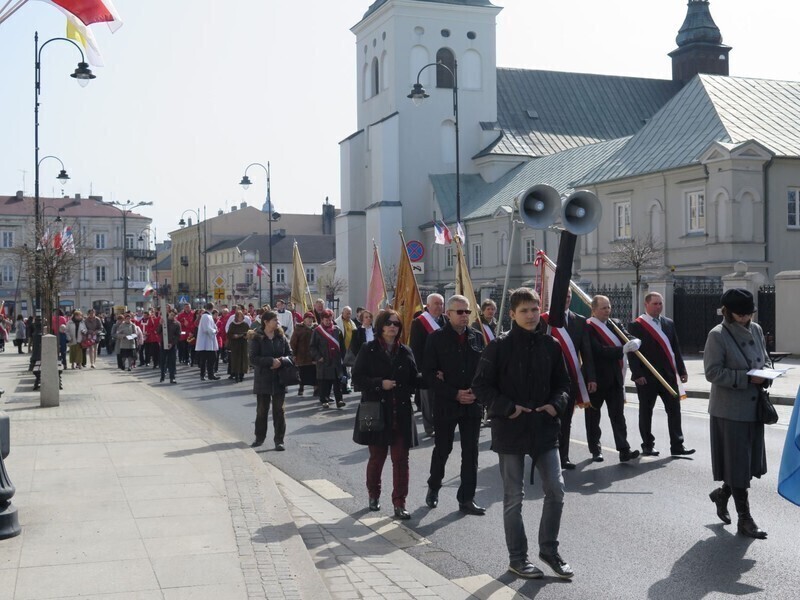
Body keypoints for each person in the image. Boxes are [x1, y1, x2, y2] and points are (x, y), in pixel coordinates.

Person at [472, 287, 573, 579]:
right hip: (511, 431)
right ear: (513, 314)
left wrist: (556, 405)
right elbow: (480, 386)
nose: (530, 315)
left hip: (544, 430)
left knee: (556, 489)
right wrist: (506, 407)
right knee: (513, 497)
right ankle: (517, 558)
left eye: (534, 309)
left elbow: (564, 384)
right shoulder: (498, 347)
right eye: (524, 311)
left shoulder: (551, 345)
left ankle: (549, 550)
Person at [703, 288, 770, 539]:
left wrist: (767, 374)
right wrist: (745, 378)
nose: (745, 318)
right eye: (740, 315)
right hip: (730, 410)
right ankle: (745, 519)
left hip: (754, 407)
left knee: (744, 463)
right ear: (727, 312)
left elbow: (764, 358)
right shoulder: (717, 335)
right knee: (738, 463)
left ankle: (722, 495)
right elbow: (712, 372)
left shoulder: (757, 329)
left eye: (748, 314)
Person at [352, 309, 420, 520]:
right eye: (389, 323)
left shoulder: (405, 351)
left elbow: (414, 379)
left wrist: (432, 376)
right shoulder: (368, 349)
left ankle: (400, 503)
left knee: (401, 460)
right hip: (377, 412)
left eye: (397, 324)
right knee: (377, 458)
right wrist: (379, 384)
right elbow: (357, 379)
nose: (393, 327)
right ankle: (374, 495)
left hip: (400, 413)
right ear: (381, 326)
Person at [423, 294, 486, 515]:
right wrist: (454, 394)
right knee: (443, 448)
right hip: (446, 403)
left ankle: (467, 498)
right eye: (460, 312)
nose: (464, 316)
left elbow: (485, 373)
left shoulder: (476, 337)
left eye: (467, 311)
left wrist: (474, 394)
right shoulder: (436, 338)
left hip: (472, 403)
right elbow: (429, 375)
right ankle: (434, 487)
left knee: (471, 452)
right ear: (448, 314)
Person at [628, 292, 695, 457]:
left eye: (660, 303)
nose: (658, 306)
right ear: (646, 305)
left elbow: (675, 348)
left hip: (668, 375)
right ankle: (648, 445)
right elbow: (632, 353)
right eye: (655, 304)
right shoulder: (636, 325)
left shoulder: (668, 323)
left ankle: (677, 445)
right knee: (646, 411)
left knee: (674, 410)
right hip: (647, 377)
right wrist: (637, 374)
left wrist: (682, 370)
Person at [541, 288, 597, 470]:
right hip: (548, 380)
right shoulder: (543, 321)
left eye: (568, 296)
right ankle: (543, 453)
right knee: (548, 419)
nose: (565, 299)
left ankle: (562, 457)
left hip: (571, 379)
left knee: (566, 420)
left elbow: (587, 352)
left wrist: (590, 377)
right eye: (562, 296)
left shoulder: (580, 321)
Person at [585, 295, 642, 463]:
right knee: (593, 417)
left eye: (608, 307)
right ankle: (595, 450)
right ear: (594, 310)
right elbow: (598, 351)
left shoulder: (615, 323)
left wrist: (636, 342)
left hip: (615, 378)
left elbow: (627, 337)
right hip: (596, 379)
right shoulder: (588, 327)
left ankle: (624, 449)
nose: (607, 310)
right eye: (603, 308)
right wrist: (621, 350)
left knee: (618, 416)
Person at [249, 310, 295, 450]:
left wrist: (281, 361)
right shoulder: (258, 337)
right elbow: (253, 359)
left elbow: (290, 355)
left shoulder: (281, 337)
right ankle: (259, 437)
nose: (277, 322)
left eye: (277, 320)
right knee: (262, 410)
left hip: (279, 379)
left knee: (279, 411)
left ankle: (279, 440)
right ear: (266, 322)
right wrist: (270, 361)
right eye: (274, 320)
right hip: (263, 379)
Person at [409, 293, 446, 437]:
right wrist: (422, 370)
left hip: (444, 369)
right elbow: (416, 348)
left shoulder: (446, 320)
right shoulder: (419, 322)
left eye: (441, 304)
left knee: (442, 399)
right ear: (428, 306)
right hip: (427, 368)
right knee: (428, 400)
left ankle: (442, 424)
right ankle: (429, 427)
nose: (439, 306)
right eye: (436, 303)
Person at [310, 309, 347, 409]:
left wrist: (344, 358)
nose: (328, 322)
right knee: (324, 383)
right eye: (326, 320)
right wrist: (318, 357)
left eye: (330, 320)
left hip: (336, 360)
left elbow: (342, 346)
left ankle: (339, 400)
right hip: (324, 360)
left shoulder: (337, 330)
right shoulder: (317, 331)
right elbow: (312, 347)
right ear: (322, 319)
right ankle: (324, 400)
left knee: (337, 382)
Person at [289, 311, 317, 396]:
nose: (310, 320)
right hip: (302, 355)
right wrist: (294, 353)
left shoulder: (316, 328)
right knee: (302, 373)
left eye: (311, 318)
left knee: (314, 373)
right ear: (304, 320)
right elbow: (293, 342)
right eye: (308, 318)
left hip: (313, 356)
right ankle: (301, 387)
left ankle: (316, 389)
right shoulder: (299, 329)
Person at [336, 305, 358, 393]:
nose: (349, 315)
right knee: (343, 369)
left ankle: (347, 385)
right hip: (342, 349)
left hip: (351, 349)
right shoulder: (337, 322)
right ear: (342, 313)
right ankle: (342, 386)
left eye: (350, 313)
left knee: (349, 369)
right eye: (347, 313)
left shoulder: (352, 322)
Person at [195, 303, 220, 381]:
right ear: (212, 308)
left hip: (208, 341)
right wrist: (215, 331)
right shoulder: (206, 316)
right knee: (209, 358)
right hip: (206, 342)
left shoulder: (207, 316)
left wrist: (214, 329)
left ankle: (209, 374)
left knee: (209, 358)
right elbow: (207, 329)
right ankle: (205, 375)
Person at [227, 310, 250, 383]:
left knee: (243, 359)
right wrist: (234, 336)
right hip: (235, 344)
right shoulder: (232, 324)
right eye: (239, 316)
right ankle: (236, 375)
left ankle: (241, 375)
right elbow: (229, 334)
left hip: (243, 343)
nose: (240, 318)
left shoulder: (245, 324)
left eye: (241, 316)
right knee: (236, 359)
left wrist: (247, 336)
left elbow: (248, 333)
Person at [160, 310, 181, 384]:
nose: (172, 316)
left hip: (172, 345)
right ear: (168, 314)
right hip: (163, 344)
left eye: (174, 315)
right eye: (171, 314)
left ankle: (172, 377)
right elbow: (158, 331)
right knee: (163, 361)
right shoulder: (164, 321)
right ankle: (162, 376)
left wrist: (172, 343)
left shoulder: (177, 324)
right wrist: (160, 324)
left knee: (172, 361)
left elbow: (178, 335)